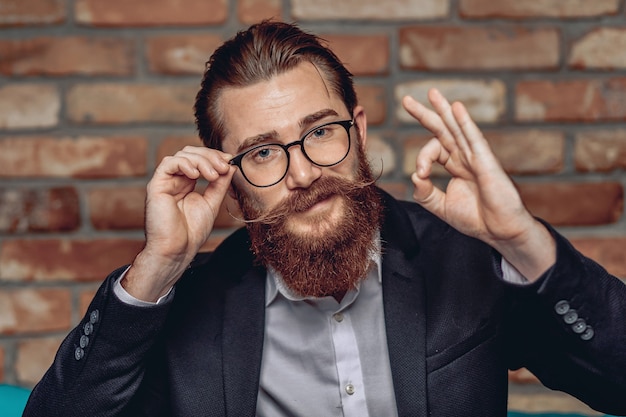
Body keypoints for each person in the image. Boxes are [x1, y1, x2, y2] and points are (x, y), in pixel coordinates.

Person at [23, 21, 625, 417]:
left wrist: (522, 241)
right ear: (230, 179)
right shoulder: (189, 304)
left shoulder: (460, 255)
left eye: (320, 133)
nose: (304, 173)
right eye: (263, 153)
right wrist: (155, 271)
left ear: (358, 134)